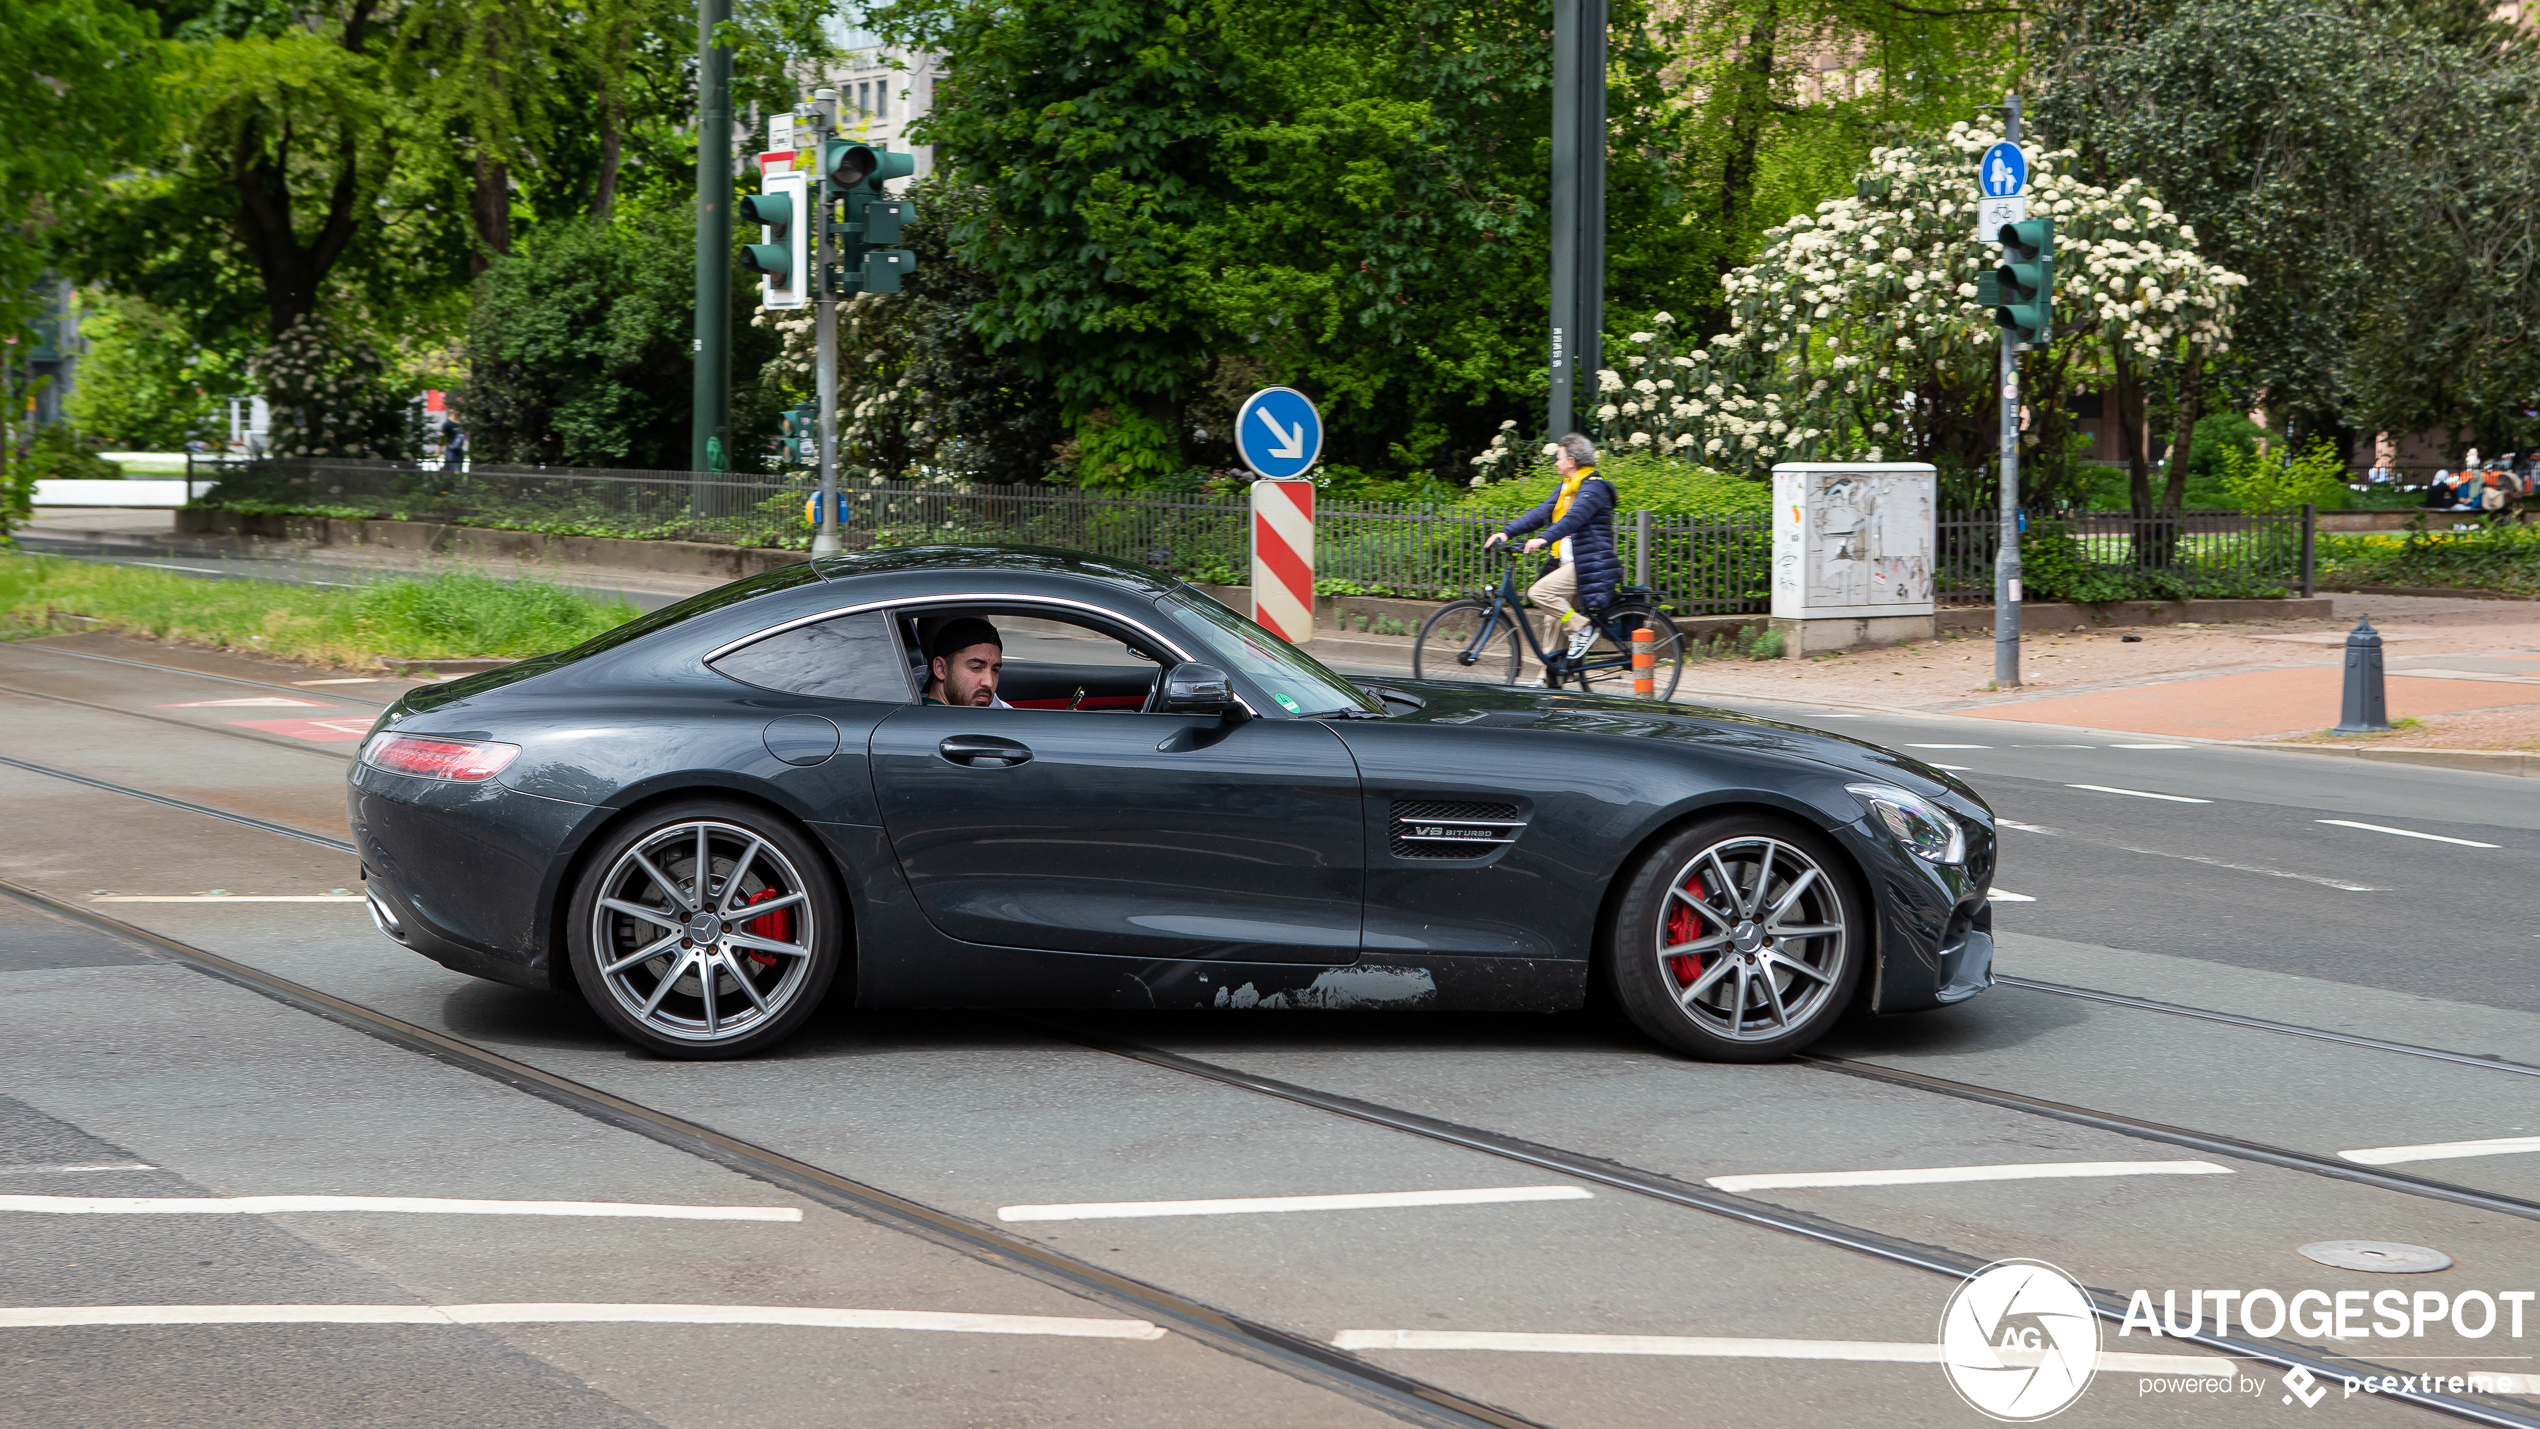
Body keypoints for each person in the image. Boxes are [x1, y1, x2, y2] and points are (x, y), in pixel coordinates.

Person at [1484, 432, 1620, 680]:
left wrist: (1545, 538)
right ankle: (1549, 678)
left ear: (1571, 461)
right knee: (1553, 622)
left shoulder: (1593, 488)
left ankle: (1582, 627)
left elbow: (1573, 519)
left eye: (1558, 458)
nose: (1555, 462)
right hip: (1567, 561)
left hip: (1590, 563)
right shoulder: (1567, 488)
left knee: (1540, 593)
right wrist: (1505, 533)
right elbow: (1539, 514)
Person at [922, 617, 1013, 707]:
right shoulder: (934, 719)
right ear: (941, 669)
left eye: (995, 670)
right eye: (976, 667)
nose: (989, 682)